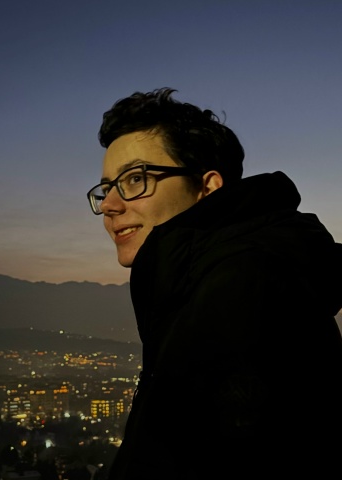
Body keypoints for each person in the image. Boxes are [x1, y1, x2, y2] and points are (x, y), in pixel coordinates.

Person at [86, 87, 342, 479]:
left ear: (208, 187)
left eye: (136, 179)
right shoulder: (212, 277)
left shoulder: (241, 287)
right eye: (107, 188)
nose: (109, 205)